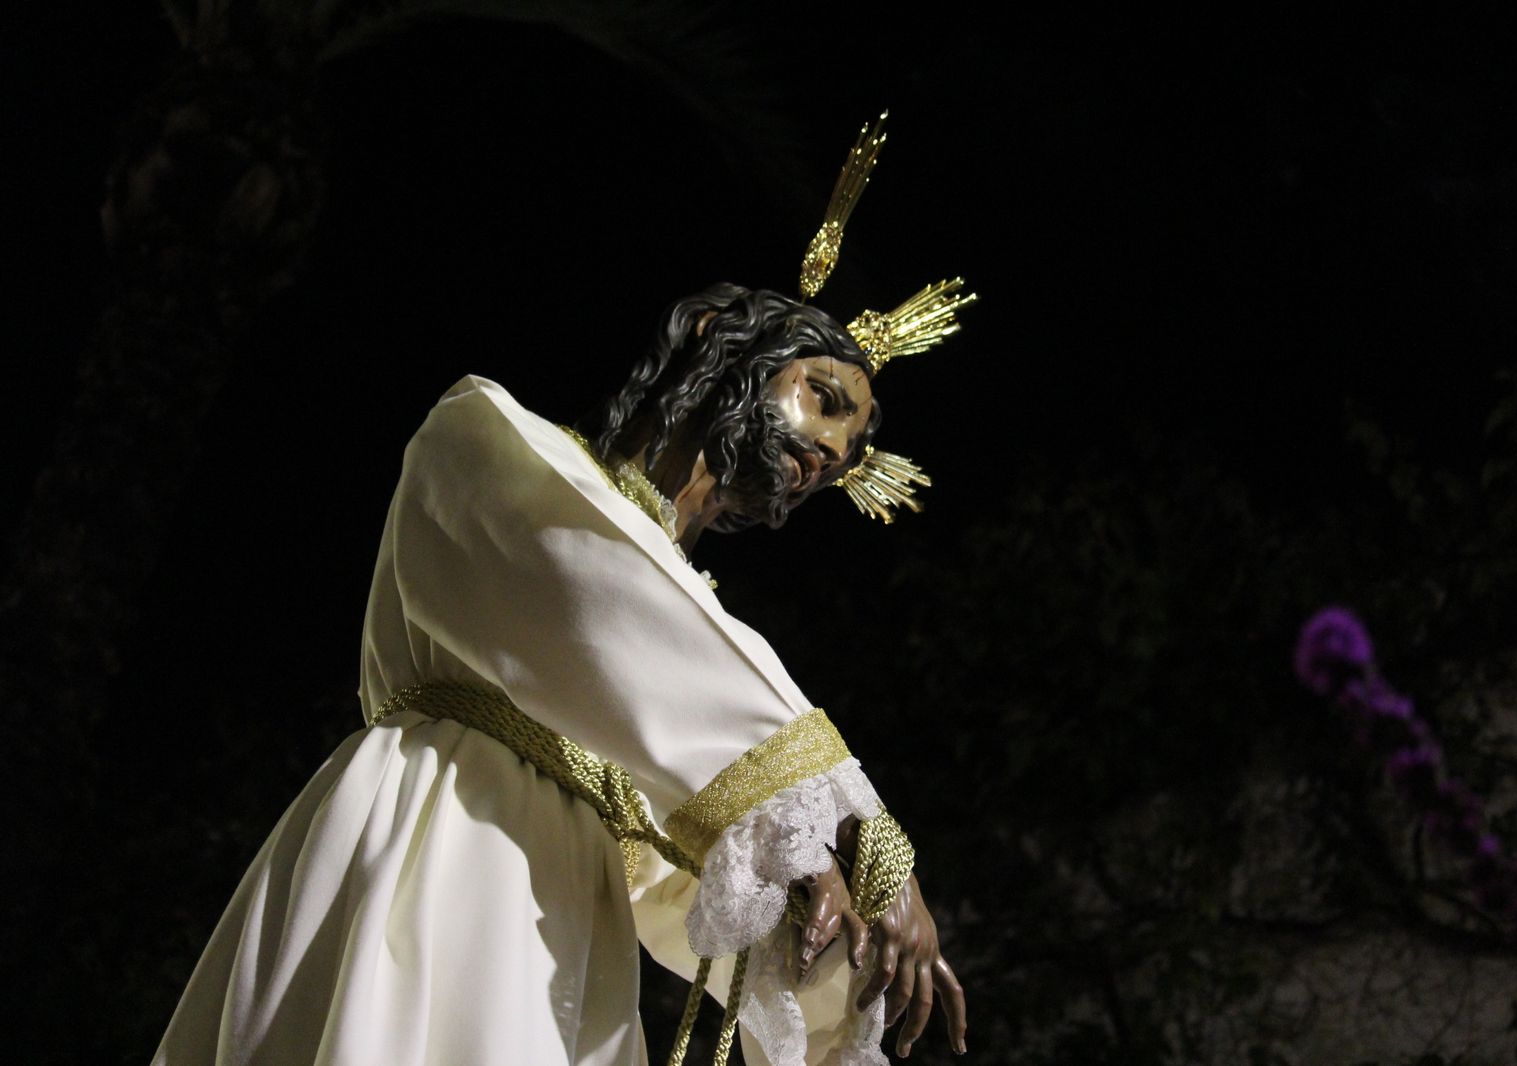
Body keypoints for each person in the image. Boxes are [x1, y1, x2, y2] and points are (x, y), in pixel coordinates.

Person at [154, 116, 973, 1066]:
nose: (831, 450)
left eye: (852, 449)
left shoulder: (681, 652)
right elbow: (606, 601)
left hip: (568, 919)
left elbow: (668, 848)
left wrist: (804, 901)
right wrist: (859, 834)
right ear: (717, 337)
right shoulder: (491, 445)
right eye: (824, 398)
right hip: (445, 838)